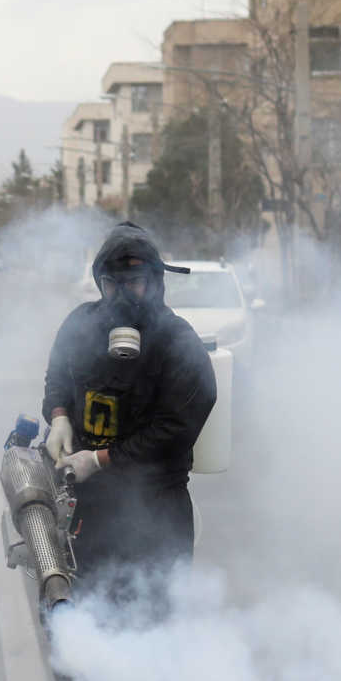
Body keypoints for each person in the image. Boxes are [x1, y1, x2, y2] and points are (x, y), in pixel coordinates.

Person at [40, 222, 218, 614]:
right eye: (112, 283)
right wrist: (58, 417)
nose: (121, 295)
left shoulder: (177, 341)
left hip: (156, 513)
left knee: (154, 624)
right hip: (92, 512)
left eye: (133, 282)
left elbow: (176, 428)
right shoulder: (81, 325)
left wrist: (101, 459)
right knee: (90, 618)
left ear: (154, 281)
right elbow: (58, 376)